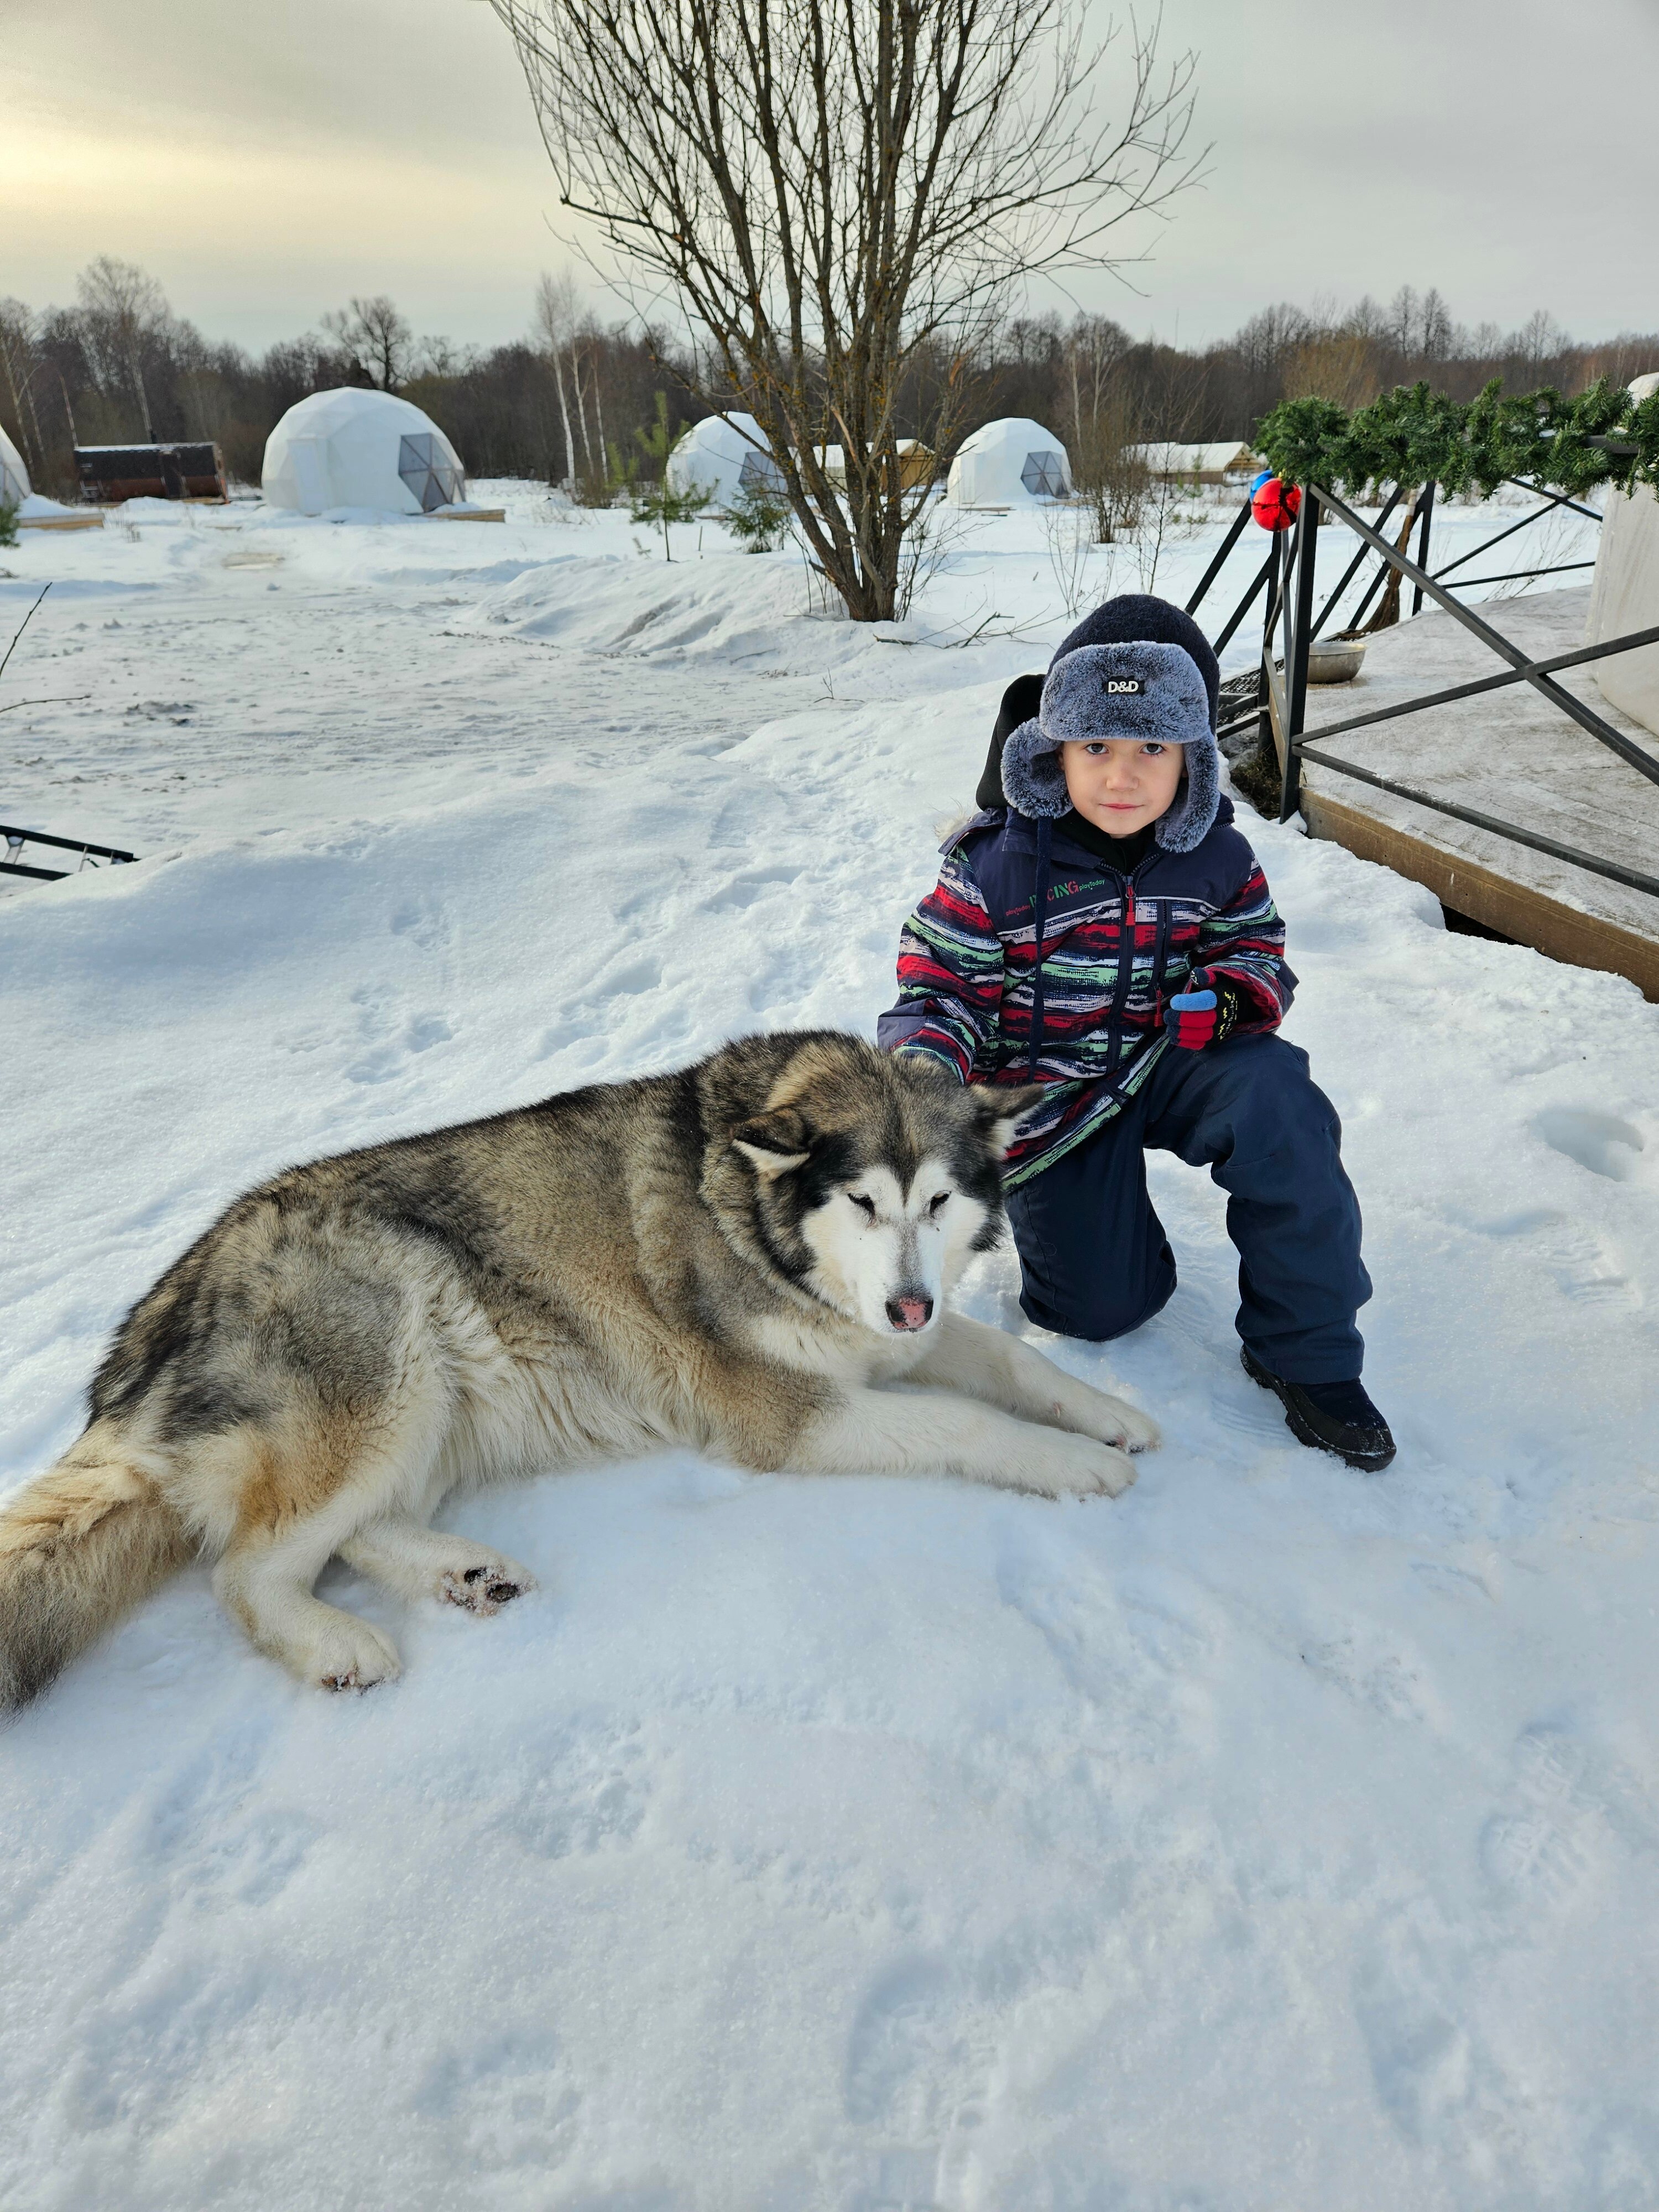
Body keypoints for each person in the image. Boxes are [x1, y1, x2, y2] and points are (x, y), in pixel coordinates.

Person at [877, 593, 1395, 1472]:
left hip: (1171, 1059)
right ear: (1055, 749)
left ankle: (1305, 1351)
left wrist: (1231, 999)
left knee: (1279, 1097)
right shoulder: (996, 865)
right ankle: (1098, 1230)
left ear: (1191, 754)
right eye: (1097, 749)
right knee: (1099, 1307)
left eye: (1151, 748)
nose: (1123, 777)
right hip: (1052, 1098)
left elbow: (1258, 950)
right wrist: (927, 1067)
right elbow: (940, 988)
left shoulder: (1218, 857)